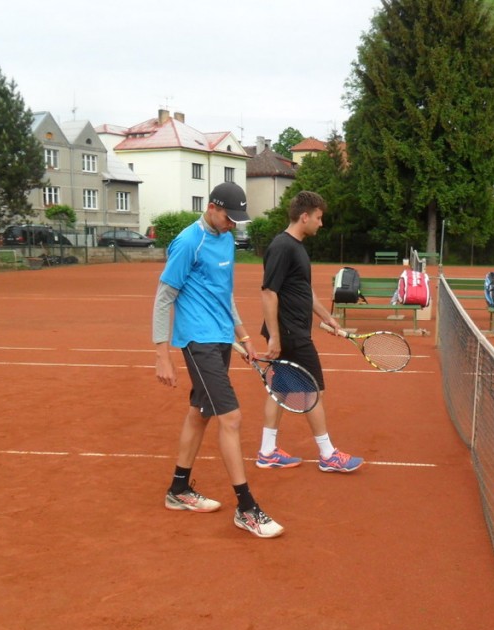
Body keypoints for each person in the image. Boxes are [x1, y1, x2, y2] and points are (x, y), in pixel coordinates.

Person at [152, 181, 283, 538]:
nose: (232, 225)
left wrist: (243, 336)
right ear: (212, 208)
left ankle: (178, 489)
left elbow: (224, 294)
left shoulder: (226, 238)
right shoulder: (188, 242)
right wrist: (162, 355)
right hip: (198, 341)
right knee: (231, 417)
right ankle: (247, 508)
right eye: (228, 217)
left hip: (222, 338)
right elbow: (164, 298)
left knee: (201, 412)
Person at [256, 190, 363, 473]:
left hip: (292, 331)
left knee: (280, 390)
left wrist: (328, 318)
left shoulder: (297, 247)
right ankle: (328, 455)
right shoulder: (283, 247)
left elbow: (305, 292)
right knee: (314, 390)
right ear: (304, 217)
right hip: (290, 334)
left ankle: (267, 451)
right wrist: (275, 337)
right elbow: (268, 292)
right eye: (318, 217)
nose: (321, 223)